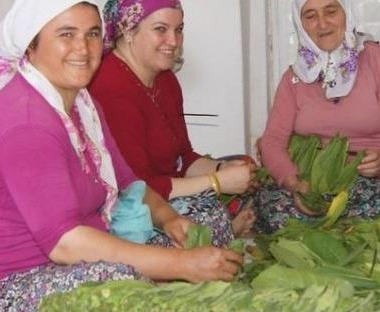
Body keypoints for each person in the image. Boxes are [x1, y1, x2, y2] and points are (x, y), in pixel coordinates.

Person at [0, 0, 242, 312]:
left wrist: (170, 220)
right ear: (32, 44)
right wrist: (181, 264)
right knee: (118, 280)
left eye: (92, 34)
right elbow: (66, 243)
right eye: (66, 34)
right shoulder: (24, 121)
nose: (83, 48)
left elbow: (127, 182)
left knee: (204, 220)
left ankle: (163, 290)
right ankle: (163, 291)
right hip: (1, 294)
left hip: (77, 258)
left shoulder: (82, 104)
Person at [90, 0, 256, 246]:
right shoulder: (110, 86)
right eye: (161, 29)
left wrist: (222, 169)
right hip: (132, 203)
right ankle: (222, 232)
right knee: (208, 217)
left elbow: (184, 157)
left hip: (167, 189)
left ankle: (221, 233)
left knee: (247, 168)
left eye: (178, 30)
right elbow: (136, 187)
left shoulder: (165, 79)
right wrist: (217, 182)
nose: (174, 41)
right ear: (128, 30)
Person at [256, 0, 380, 233]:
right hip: (311, 184)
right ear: (300, 23)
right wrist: (294, 182)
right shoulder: (294, 78)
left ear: (346, 13)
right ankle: (352, 226)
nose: (322, 23)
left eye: (331, 11)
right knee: (272, 208)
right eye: (310, 16)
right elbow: (272, 141)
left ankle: (327, 225)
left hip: (370, 183)